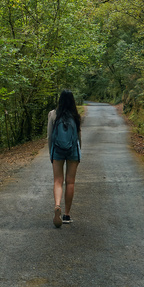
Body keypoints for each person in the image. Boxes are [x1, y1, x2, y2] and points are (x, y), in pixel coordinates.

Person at [47, 90, 82, 228]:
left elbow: (50, 136)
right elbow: (79, 137)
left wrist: (52, 153)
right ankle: (66, 215)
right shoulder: (75, 115)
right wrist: (78, 152)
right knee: (70, 182)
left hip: (57, 150)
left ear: (60, 100)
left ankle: (57, 205)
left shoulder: (53, 114)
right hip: (73, 150)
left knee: (58, 181)